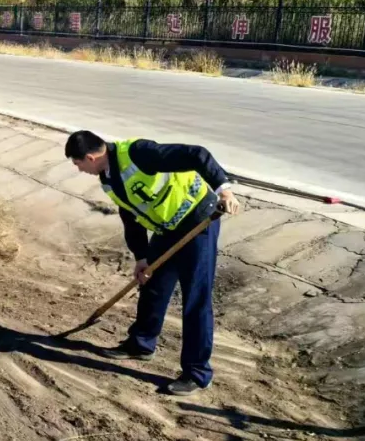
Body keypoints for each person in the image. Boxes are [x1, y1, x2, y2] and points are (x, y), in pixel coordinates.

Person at [65, 131, 240, 396]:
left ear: (91, 157)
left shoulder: (138, 153)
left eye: (79, 164)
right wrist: (141, 256)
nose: (79, 169)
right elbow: (130, 215)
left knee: (195, 299)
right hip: (167, 229)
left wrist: (224, 190)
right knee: (152, 284)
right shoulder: (108, 178)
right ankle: (141, 344)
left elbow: (197, 154)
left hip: (198, 221)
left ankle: (197, 373)